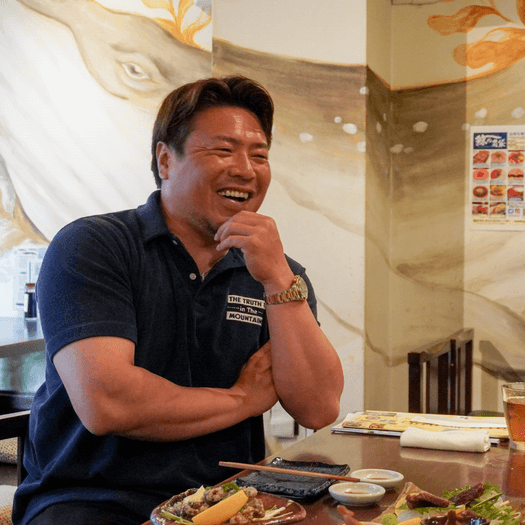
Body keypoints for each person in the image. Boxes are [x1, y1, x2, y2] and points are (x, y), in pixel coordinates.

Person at [12, 76, 344, 525]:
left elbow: (319, 407)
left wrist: (278, 279)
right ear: (166, 159)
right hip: (94, 499)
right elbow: (109, 403)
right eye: (223, 150)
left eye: (259, 155)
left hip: (227, 500)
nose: (245, 169)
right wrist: (243, 398)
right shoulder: (95, 246)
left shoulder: (278, 276)